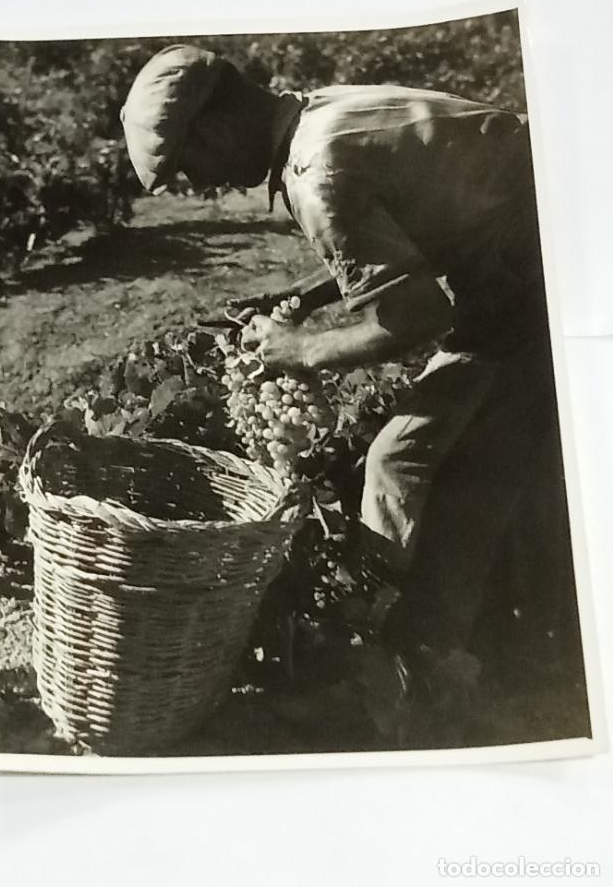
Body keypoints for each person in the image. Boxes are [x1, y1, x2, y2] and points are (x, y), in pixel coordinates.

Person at [120, 44, 566, 731]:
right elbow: (419, 221)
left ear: (212, 128)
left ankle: (409, 653)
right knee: (480, 454)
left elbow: (418, 315)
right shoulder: (322, 110)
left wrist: (302, 350)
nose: (201, 184)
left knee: (401, 458)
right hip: (543, 241)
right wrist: (301, 293)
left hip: (547, 277)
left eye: (189, 166)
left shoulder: (315, 169)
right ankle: (480, 629)